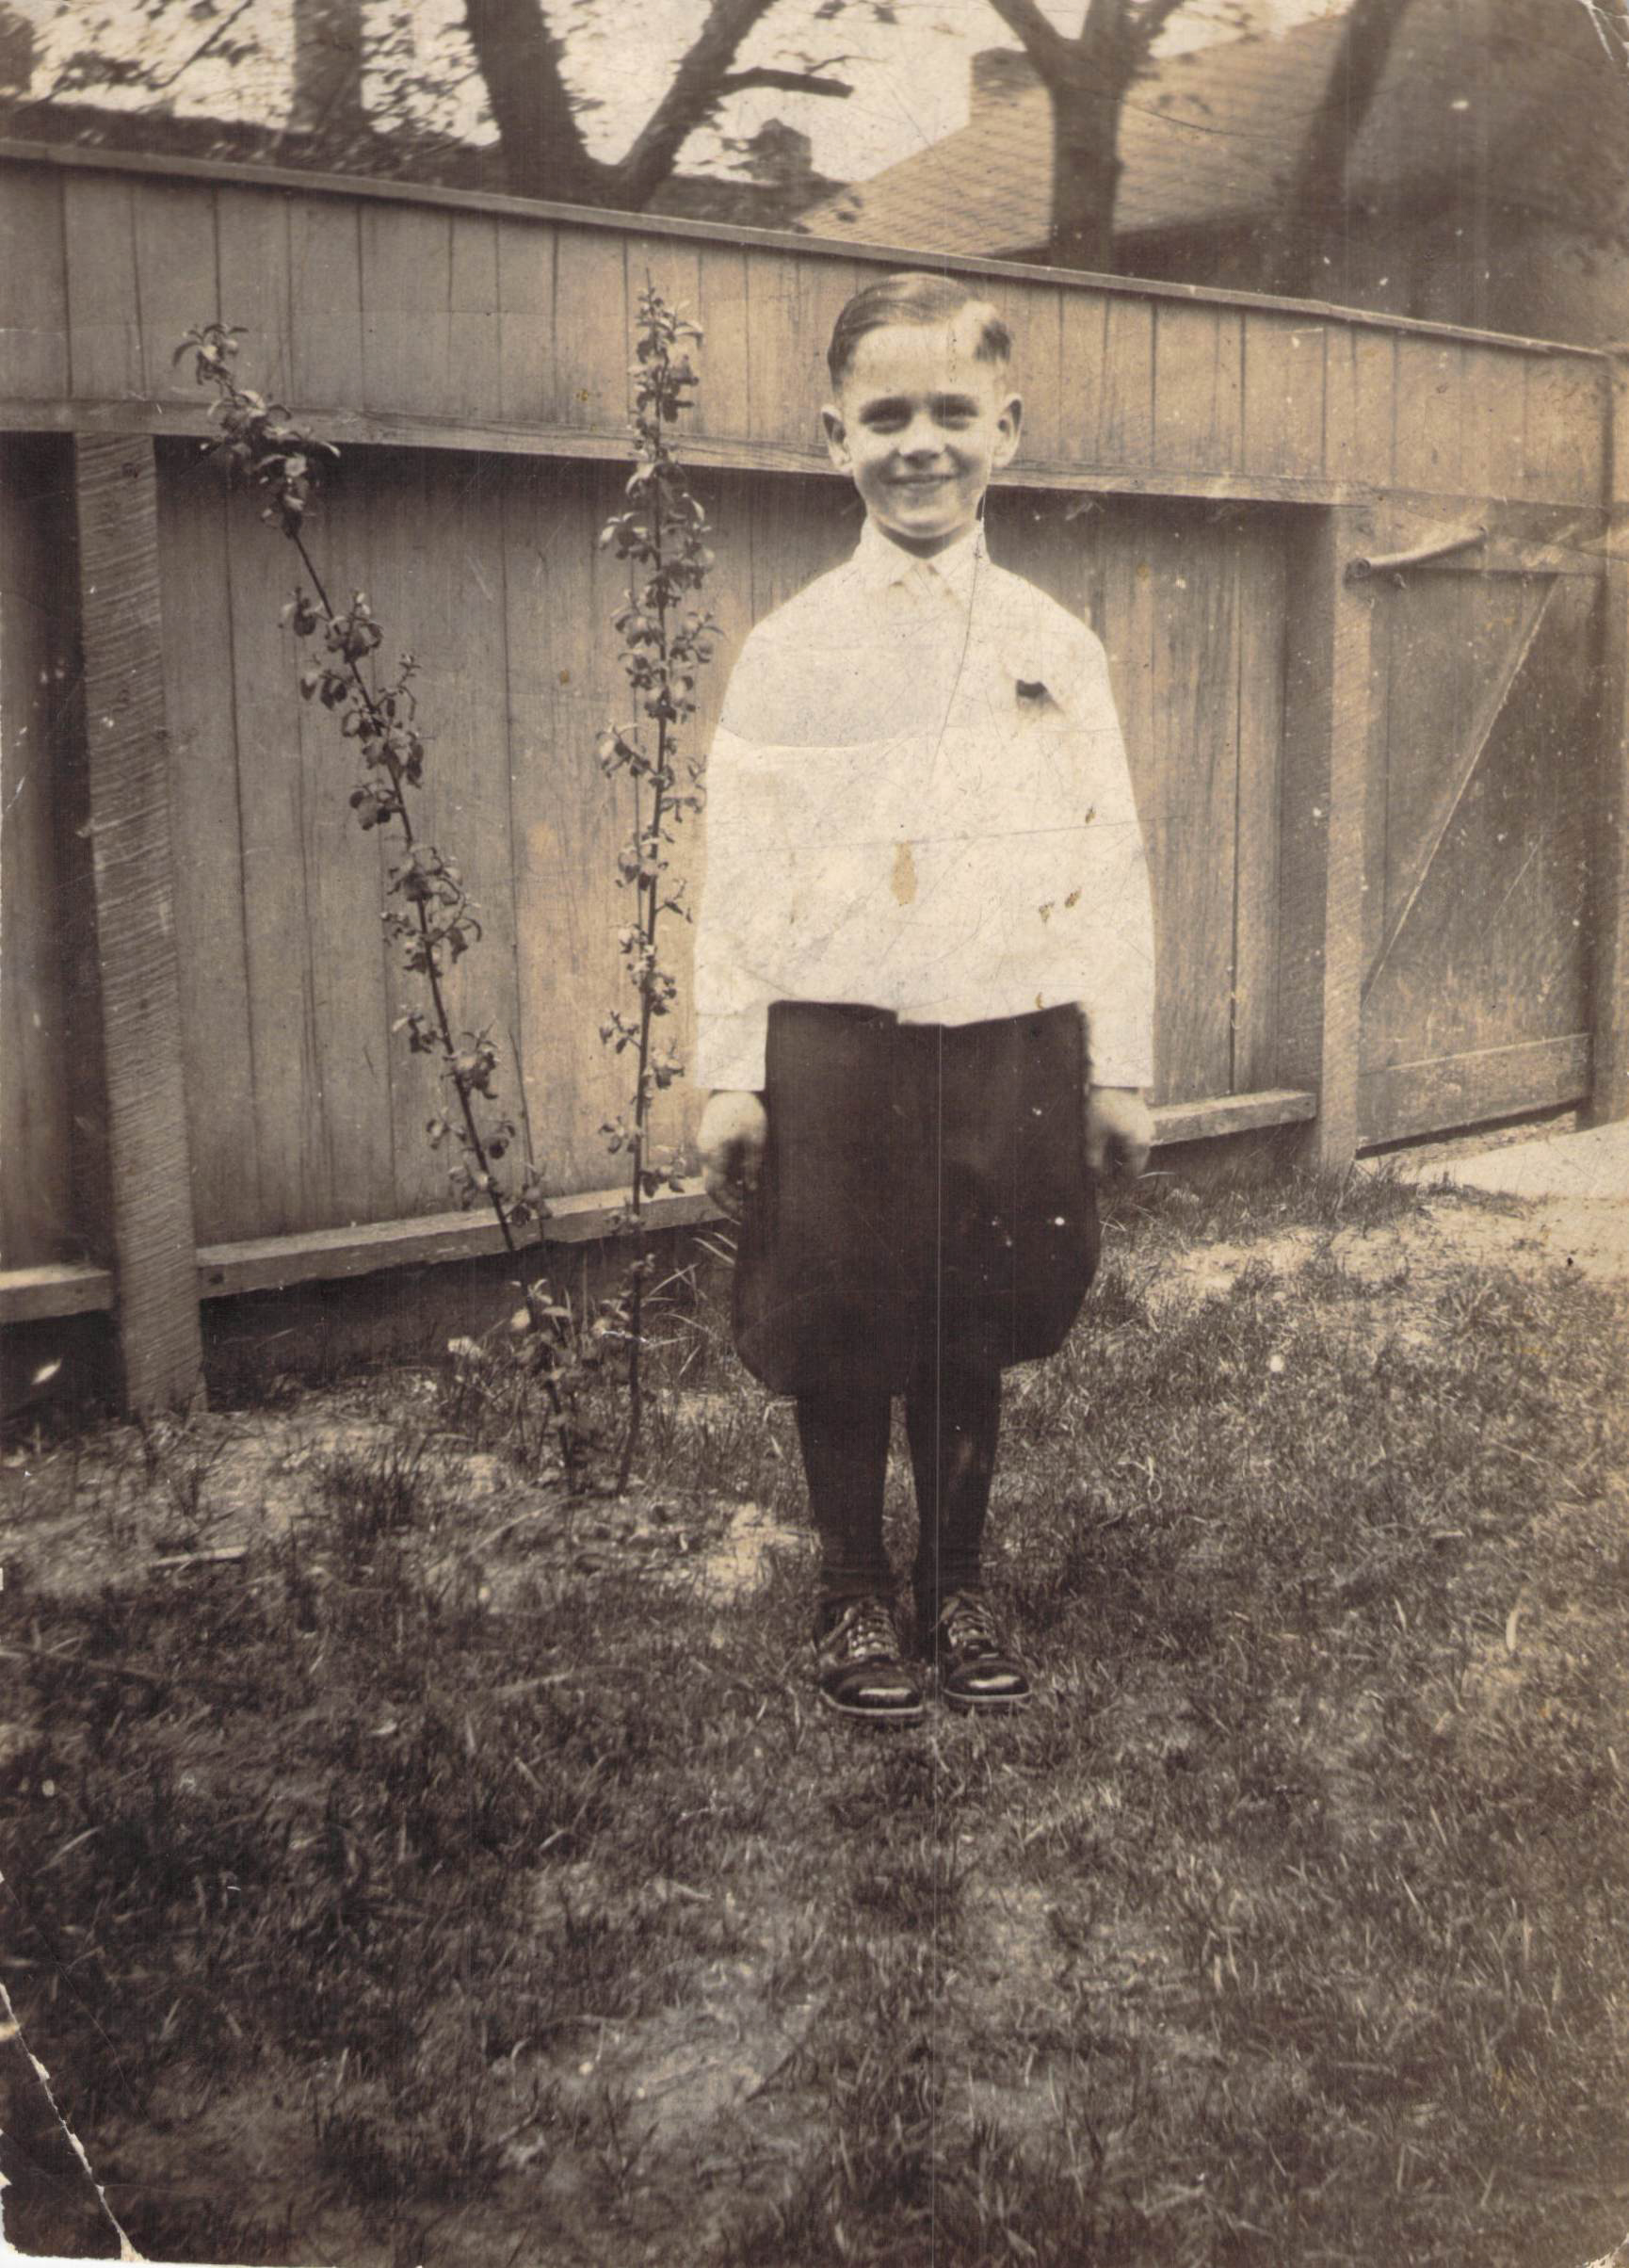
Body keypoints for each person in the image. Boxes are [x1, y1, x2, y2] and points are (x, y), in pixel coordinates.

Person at [692, 270, 1156, 1725]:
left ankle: (953, 1583)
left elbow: (1110, 860)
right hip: (836, 1044)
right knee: (840, 1309)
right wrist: (728, 1069)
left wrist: (1119, 1062)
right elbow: (736, 874)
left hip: (1011, 1034)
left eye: (951, 412)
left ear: (1004, 429)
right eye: (883, 415)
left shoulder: (1051, 644)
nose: (919, 444)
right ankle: (848, 1592)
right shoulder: (792, 650)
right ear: (832, 434)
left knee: (969, 1307)